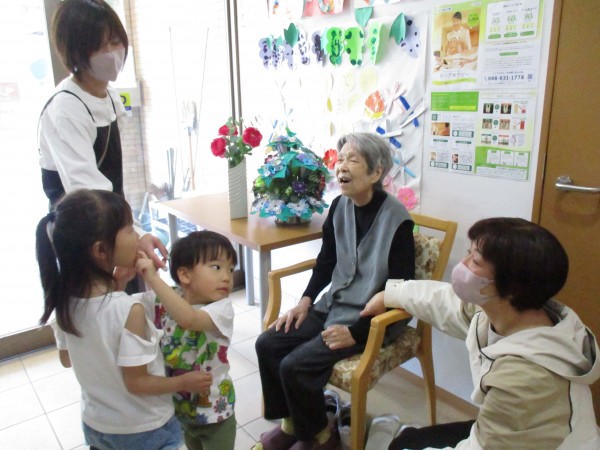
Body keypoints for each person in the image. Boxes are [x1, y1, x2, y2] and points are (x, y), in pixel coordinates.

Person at [361, 217, 600, 449]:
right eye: (469, 252)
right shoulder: (508, 312)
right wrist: (392, 294)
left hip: (540, 441)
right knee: (407, 441)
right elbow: (446, 303)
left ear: (513, 286)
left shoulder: (525, 380)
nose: (462, 264)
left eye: (475, 261)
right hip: (507, 428)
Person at [253, 132, 416, 450]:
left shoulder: (398, 220)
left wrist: (356, 333)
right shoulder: (340, 205)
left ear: (376, 172)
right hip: (334, 303)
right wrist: (305, 300)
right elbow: (326, 261)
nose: (341, 166)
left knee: (294, 365)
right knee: (268, 343)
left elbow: (401, 290)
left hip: (371, 319)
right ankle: (293, 425)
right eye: (340, 159)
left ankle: (320, 437)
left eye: (352, 160)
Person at [36, 189, 213, 450]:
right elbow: (138, 382)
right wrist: (183, 383)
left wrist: (118, 283)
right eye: (130, 229)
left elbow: (68, 358)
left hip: (97, 425)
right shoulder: (130, 310)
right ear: (101, 250)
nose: (137, 236)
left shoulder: (64, 303)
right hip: (144, 428)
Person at [37, 0, 166, 269]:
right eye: (99, 46)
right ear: (76, 52)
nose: (111, 53)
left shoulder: (109, 96)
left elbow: (113, 186)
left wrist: (136, 233)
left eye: (115, 42)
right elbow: (89, 190)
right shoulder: (66, 109)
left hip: (111, 228)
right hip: (84, 238)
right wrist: (134, 235)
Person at [152, 231, 238, 450]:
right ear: (185, 274)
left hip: (217, 412)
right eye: (216, 267)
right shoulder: (168, 300)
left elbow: (189, 319)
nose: (227, 277)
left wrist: (152, 279)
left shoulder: (222, 309)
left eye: (230, 269)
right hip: (182, 408)